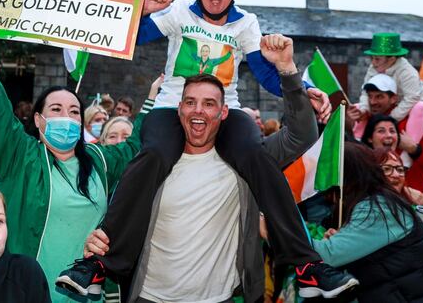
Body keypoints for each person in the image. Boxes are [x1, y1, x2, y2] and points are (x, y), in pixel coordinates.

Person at [62, 35, 357, 301]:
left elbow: (301, 135)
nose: (198, 110)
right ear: (179, 109)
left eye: (209, 104)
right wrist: (100, 242)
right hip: (150, 296)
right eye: (190, 102)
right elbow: (117, 201)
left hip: (220, 298)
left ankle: (308, 266)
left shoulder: (244, 159)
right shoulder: (153, 160)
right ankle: (98, 267)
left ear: (224, 112)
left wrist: (288, 71)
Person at [0, 6, 159, 302]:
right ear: (38, 120)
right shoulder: (20, 155)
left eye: (74, 112)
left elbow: (136, 149)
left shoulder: (99, 160)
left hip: (87, 295)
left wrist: (154, 98)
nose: (66, 117)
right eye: (56, 110)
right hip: (25, 294)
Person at [311, 143, 423, 302]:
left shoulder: (379, 208)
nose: (395, 175)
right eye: (387, 169)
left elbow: (327, 255)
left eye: (400, 169)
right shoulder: (374, 203)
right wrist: (343, 238)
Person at [350, 75, 423, 191]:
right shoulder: (362, 119)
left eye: (379, 96)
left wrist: (415, 150)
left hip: (408, 197)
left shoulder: (417, 122)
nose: (373, 102)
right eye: (370, 96)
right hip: (368, 195)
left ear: (393, 98)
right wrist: (348, 124)